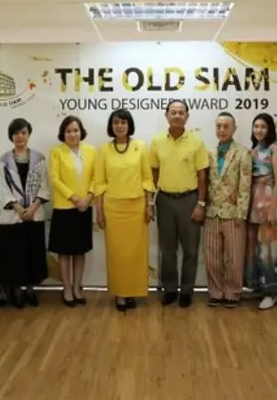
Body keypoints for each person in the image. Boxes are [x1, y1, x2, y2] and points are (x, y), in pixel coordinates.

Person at [94, 109, 155, 312]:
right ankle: (120, 293)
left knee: (135, 254)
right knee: (117, 254)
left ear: (129, 125)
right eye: (116, 123)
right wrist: (99, 212)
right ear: (111, 126)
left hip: (137, 208)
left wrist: (149, 205)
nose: (119, 126)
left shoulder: (140, 147)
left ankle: (132, 292)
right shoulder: (104, 150)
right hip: (113, 209)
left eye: (123, 122)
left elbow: (147, 178)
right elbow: (100, 183)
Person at [150, 100, 209, 308]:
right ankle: (170, 290)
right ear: (166, 115)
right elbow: (154, 173)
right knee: (168, 250)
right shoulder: (157, 142)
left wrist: (201, 203)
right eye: (173, 112)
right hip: (165, 200)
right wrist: (150, 202)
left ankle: (186, 291)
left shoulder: (197, 142)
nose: (177, 115)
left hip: (189, 200)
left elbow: (203, 176)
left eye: (181, 112)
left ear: (187, 116)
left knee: (191, 250)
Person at [0, 118, 50, 309]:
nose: (20, 136)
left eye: (23, 132)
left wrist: (32, 208)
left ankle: (30, 290)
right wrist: (18, 209)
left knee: (32, 254)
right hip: (13, 217)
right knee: (14, 254)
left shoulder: (39, 158)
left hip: (34, 215)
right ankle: (17, 291)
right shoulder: (4, 160)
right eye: (16, 133)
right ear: (11, 136)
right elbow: (2, 187)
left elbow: (44, 186)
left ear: (29, 135)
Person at [203, 112, 251, 309]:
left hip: (233, 213)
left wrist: (242, 212)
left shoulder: (243, 153)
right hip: (211, 212)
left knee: (234, 257)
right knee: (211, 257)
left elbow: (245, 185)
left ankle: (232, 292)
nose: (221, 130)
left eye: (226, 126)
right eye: (218, 126)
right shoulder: (208, 152)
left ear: (234, 129)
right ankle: (215, 292)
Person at [48, 115, 96, 307]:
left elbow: (96, 177)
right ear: (63, 133)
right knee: (64, 252)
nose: (72, 134)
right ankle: (66, 288)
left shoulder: (91, 151)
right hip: (64, 207)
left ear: (81, 131)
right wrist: (74, 197)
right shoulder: (56, 152)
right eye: (68, 131)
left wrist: (89, 197)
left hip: (85, 207)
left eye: (75, 130)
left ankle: (77, 287)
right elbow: (55, 178)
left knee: (79, 251)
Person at [246, 113, 277, 310]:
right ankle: (259, 287)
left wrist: (273, 208)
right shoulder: (254, 150)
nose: (259, 130)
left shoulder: (276, 149)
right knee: (256, 250)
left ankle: (273, 292)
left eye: (263, 126)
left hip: (270, 204)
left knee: (271, 252)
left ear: (270, 129)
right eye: (256, 126)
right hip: (254, 205)